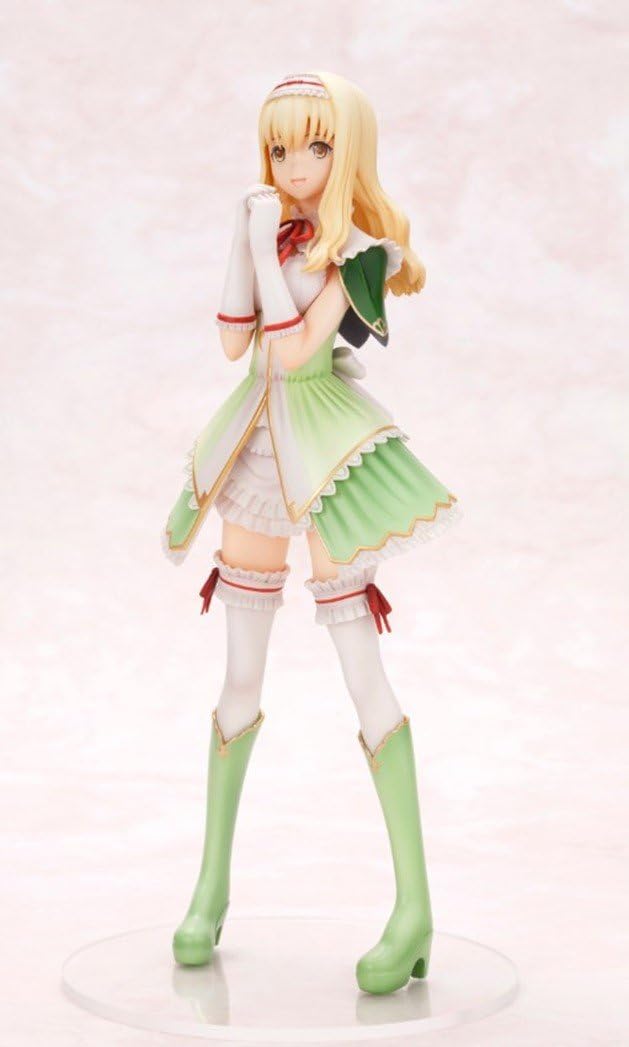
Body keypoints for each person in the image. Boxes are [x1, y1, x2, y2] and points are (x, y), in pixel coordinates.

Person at [164, 70, 462, 995]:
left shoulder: (358, 251)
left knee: (360, 669)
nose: (295, 165)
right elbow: (234, 342)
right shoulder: (272, 225)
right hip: (256, 440)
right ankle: (210, 886)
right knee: (238, 671)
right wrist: (243, 238)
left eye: (317, 145)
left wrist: (262, 246)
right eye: (279, 147)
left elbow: (295, 350)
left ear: (348, 151)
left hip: (327, 443)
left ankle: (412, 909)